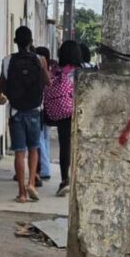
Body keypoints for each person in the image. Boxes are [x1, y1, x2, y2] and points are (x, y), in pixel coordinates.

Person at [0, 26, 50, 203]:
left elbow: (0, 88)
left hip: (16, 112)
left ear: (15, 42)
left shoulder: (8, 61)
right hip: (34, 111)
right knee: (34, 149)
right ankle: (31, 183)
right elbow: (47, 82)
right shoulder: (40, 59)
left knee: (19, 152)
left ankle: (22, 194)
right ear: (31, 42)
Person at [45, 40, 81, 197]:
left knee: (64, 147)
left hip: (63, 114)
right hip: (79, 112)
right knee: (79, 147)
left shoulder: (57, 71)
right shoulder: (81, 72)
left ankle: (65, 180)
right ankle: (78, 181)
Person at [34, 46, 54, 183]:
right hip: (51, 110)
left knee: (40, 139)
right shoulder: (54, 70)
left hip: (42, 110)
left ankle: (45, 169)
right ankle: (45, 168)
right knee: (45, 139)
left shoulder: (42, 71)